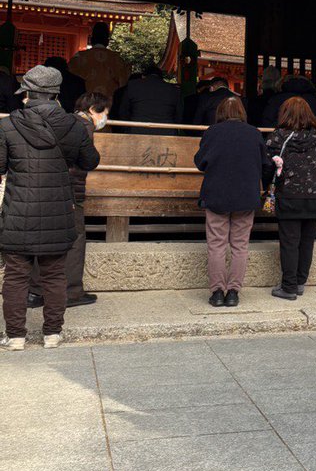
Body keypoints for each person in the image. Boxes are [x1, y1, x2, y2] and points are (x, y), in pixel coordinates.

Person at [0, 65, 99, 350]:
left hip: (18, 213)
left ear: (28, 93)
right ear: (56, 94)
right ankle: (53, 334)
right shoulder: (74, 125)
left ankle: (15, 337)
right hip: (59, 212)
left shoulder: (8, 125)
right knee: (55, 274)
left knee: (16, 276)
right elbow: (90, 161)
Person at [28, 91, 109, 312]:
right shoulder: (83, 127)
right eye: (104, 112)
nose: (105, 118)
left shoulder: (62, 122)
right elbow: (87, 161)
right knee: (75, 239)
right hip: (70, 191)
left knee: (44, 238)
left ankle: (35, 291)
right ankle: (71, 292)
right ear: (92, 109)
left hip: (47, 190)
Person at [194, 96, 274, 307]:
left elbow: (200, 163)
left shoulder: (212, 132)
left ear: (220, 112)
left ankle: (217, 292)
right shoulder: (254, 133)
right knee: (240, 245)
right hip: (246, 196)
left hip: (216, 195)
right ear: (242, 113)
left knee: (216, 244)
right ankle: (233, 293)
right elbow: (265, 164)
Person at [266, 97, 316, 300]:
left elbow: (267, 166)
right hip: (315, 196)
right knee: (307, 241)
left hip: (289, 196)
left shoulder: (278, 138)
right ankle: (300, 282)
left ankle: (289, 287)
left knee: (290, 242)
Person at [68, 21, 130, 99]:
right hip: (108, 102)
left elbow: (70, 79)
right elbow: (123, 84)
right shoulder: (116, 59)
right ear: (107, 41)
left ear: (91, 39)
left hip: (85, 101)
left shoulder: (80, 57)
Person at [117, 64, 183, 126]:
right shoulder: (174, 90)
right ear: (161, 78)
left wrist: (128, 128)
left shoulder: (132, 86)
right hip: (167, 130)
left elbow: (123, 112)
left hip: (137, 129)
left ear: (143, 76)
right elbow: (179, 116)